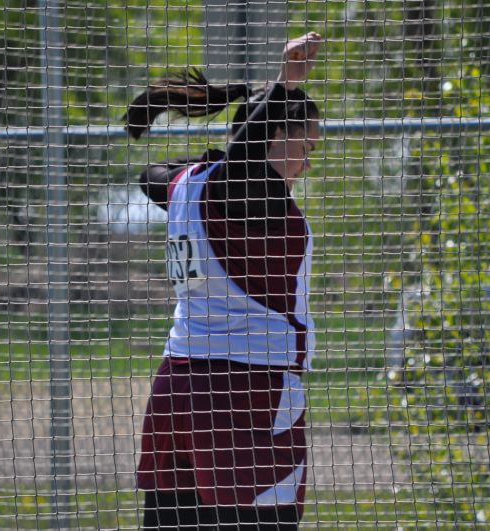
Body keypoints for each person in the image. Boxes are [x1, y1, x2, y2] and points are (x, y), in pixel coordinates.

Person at [126, 32, 323, 529]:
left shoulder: (190, 184)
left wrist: (239, 104)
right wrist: (285, 82)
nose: (309, 156)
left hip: (178, 387)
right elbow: (243, 160)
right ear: (273, 134)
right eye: (305, 141)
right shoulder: (255, 197)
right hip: (243, 395)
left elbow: (150, 173)